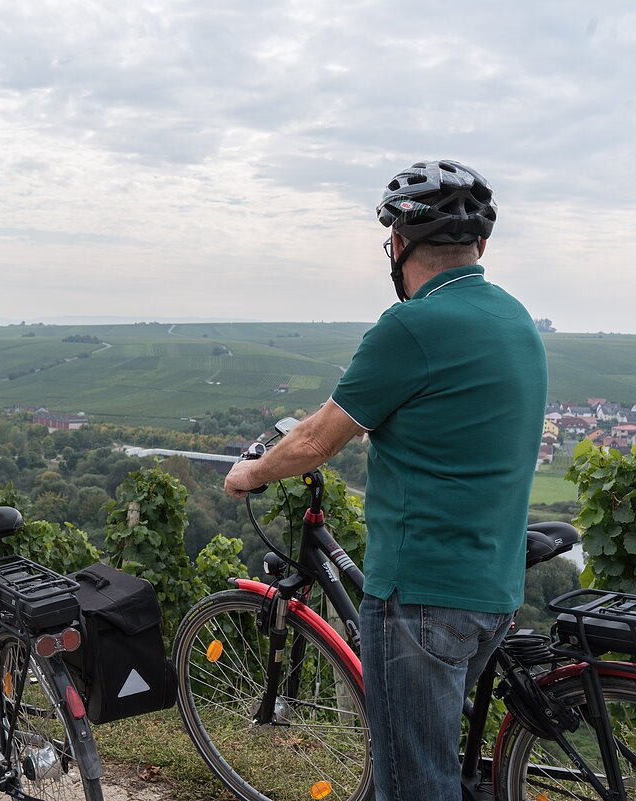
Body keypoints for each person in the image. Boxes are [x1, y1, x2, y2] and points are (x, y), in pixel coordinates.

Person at [223, 160, 547, 801]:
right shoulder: (515, 320)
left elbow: (317, 441)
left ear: (397, 245)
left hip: (421, 594)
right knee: (428, 759)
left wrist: (252, 472)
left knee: (412, 783)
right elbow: (374, 410)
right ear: (480, 245)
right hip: (493, 587)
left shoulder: (411, 325)